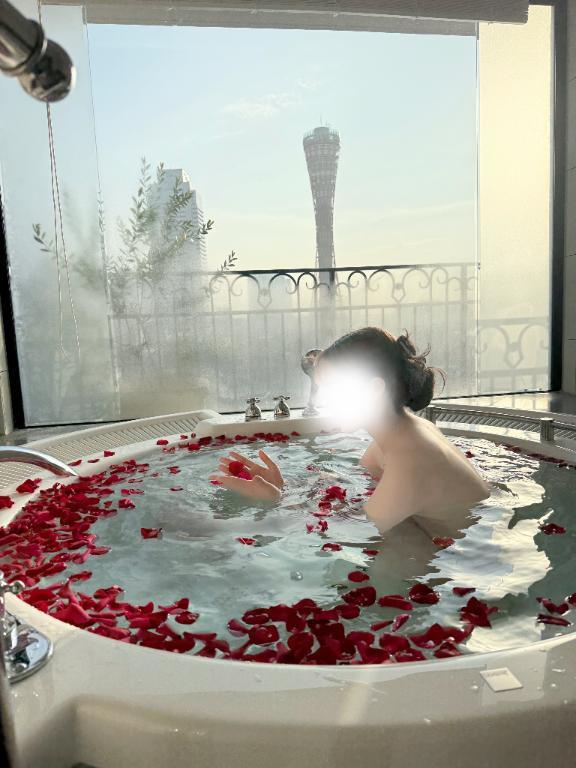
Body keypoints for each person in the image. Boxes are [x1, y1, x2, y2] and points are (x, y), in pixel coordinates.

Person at [209, 327, 490, 538]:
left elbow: (360, 532)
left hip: (466, 559)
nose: (322, 399)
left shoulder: (409, 458)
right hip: (441, 536)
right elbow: (359, 495)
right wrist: (284, 488)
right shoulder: (397, 436)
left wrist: (274, 503)